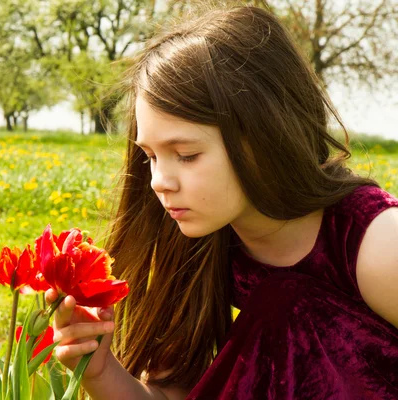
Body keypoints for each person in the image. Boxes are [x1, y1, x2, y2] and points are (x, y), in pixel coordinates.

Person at [45, 4, 398, 399]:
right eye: (151, 156)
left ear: (265, 138)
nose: (160, 182)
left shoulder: (375, 243)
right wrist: (98, 371)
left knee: (285, 303)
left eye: (187, 155)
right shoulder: (199, 244)